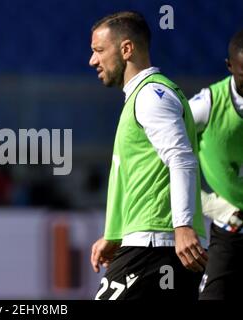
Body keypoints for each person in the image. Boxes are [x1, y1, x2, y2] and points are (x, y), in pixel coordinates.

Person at [88, 11, 208, 300]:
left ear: (126, 49)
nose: (93, 61)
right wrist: (115, 234)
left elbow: (180, 158)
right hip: (152, 241)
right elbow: (140, 177)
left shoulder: (150, 96)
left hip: (157, 244)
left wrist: (182, 226)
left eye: (99, 50)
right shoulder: (143, 97)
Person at [188, 28, 243, 300]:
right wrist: (211, 205)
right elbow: (160, 154)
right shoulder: (207, 105)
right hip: (231, 227)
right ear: (229, 66)